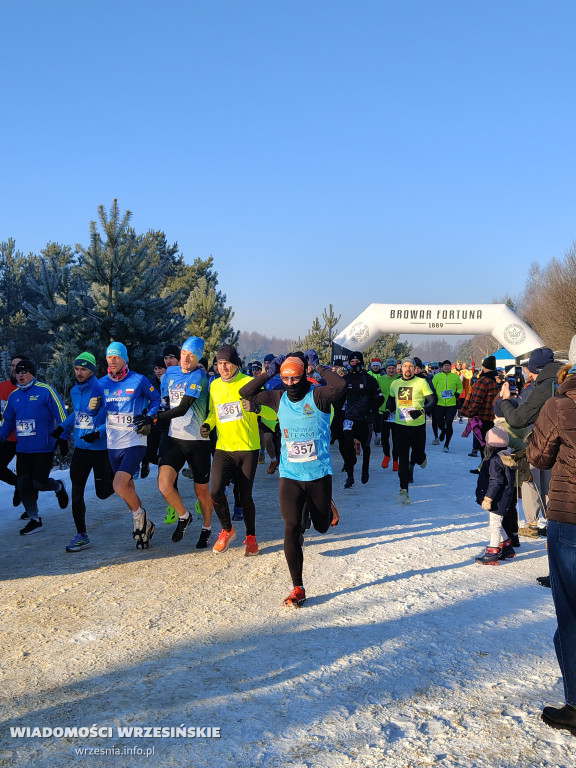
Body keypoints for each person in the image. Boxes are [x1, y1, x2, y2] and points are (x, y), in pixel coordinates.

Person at [239, 352, 346, 606]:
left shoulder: (318, 395)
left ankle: (324, 505)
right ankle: (297, 587)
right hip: (290, 474)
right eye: (285, 379)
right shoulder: (277, 398)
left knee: (321, 526)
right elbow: (245, 392)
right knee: (291, 529)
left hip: (319, 473)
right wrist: (269, 373)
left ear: (303, 376)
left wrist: (317, 366)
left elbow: (340, 386)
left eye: (294, 378)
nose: (289, 383)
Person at [525, 354, 576, 735]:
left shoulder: (559, 405)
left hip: (570, 518)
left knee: (572, 615)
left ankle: (575, 705)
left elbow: (539, 458)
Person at [88, 342, 160, 549]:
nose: (112, 361)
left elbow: (155, 399)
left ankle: (139, 516)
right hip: (113, 442)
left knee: (118, 485)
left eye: (116, 357)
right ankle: (146, 525)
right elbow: (95, 412)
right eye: (109, 357)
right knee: (127, 486)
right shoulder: (100, 383)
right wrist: (92, 407)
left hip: (135, 440)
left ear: (125, 359)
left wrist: (149, 417)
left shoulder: (138, 380)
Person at [200, 344, 261, 556]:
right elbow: (214, 414)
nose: (222, 367)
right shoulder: (214, 386)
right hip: (223, 448)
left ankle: (251, 537)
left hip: (247, 448)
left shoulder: (249, 383)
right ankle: (227, 530)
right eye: (219, 363)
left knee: (245, 498)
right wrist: (208, 425)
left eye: (226, 363)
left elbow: (272, 413)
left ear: (236, 364)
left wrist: (257, 408)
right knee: (215, 491)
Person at [51, 352, 114, 551]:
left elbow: (112, 416)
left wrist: (98, 433)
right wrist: (63, 428)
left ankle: (122, 478)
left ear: (92, 370)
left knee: (103, 493)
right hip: (80, 449)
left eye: (83, 369)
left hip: (99, 449)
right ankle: (81, 535)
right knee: (76, 493)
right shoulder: (74, 391)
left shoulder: (102, 388)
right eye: (77, 369)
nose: (79, 373)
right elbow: (77, 415)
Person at [498, 347, 562, 540]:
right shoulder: (562, 380)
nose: (526, 371)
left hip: (543, 442)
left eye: (527, 367)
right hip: (562, 444)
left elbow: (518, 419)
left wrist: (505, 401)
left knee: (530, 479)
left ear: (534, 368)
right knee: (553, 484)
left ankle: (533, 522)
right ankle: (552, 523)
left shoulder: (542, 388)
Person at [0, 357, 69, 534]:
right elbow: (7, 422)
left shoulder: (45, 391)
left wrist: (63, 437)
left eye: (24, 372)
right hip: (23, 449)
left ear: (32, 373)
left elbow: (62, 415)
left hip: (44, 447)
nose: (20, 375)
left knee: (38, 483)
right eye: (17, 372)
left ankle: (58, 486)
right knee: (23, 484)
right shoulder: (13, 397)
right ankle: (34, 519)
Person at [156, 336, 213, 549]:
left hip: (197, 442)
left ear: (197, 359)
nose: (185, 359)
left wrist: (155, 419)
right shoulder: (169, 373)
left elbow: (182, 409)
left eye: (191, 356)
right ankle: (184, 515)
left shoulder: (199, 377)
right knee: (164, 485)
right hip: (175, 439)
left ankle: (206, 528)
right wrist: (154, 415)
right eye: (183, 355)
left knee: (201, 493)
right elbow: (165, 402)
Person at [386, 357, 434, 504]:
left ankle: (421, 458)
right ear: (401, 368)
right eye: (405, 366)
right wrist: (388, 409)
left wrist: (421, 411)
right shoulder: (395, 383)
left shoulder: (421, 382)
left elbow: (432, 401)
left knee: (418, 456)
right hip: (401, 427)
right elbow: (390, 399)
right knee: (403, 460)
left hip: (418, 427)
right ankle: (404, 490)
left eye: (410, 366)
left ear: (414, 369)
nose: (407, 369)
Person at [473, 426, 518, 564]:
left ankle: (492, 552)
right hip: (504, 497)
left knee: (494, 525)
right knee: (497, 523)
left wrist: (488, 498)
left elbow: (496, 481)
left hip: (497, 498)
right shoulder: (505, 457)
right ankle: (506, 546)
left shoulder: (494, 460)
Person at [342, 351, 383, 488]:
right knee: (347, 445)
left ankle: (365, 471)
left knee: (365, 446)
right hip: (349, 418)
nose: (354, 364)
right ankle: (350, 476)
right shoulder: (345, 379)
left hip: (365, 419)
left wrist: (371, 410)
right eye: (352, 362)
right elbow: (338, 398)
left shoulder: (369, 379)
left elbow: (380, 398)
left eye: (357, 362)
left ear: (362, 362)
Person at [460, 355, 500, 458]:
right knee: (489, 445)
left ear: (484, 367)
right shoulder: (496, 380)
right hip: (493, 417)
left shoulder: (483, 381)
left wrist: (470, 414)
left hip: (482, 418)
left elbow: (476, 400)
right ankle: (484, 468)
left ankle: (484, 470)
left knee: (484, 446)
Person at [0, 355, 22, 507]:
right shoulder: (2, 387)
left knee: (28, 476)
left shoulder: (29, 388)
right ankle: (17, 484)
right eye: (12, 365)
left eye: (18, 365)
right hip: (6, 438)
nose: (14, 369)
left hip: (26, 440)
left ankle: (32, 512)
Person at [431, 360, 463, 452]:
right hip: (439, 404)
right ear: (442, 367)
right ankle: (443, 431)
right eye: (445, 366)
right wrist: (434, 396)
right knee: (439, 423)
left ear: (451, 367)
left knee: (449, 423)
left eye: (448, 366)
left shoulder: (455, 377)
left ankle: (446, 445)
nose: (446, 367)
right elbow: (432, 388)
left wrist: (458, 393)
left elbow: (460, 387)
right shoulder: (437, 376)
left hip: (451, 404)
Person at [376, 358, 399, 470]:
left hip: (397, 413)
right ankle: (386, 456)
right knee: (384, 437)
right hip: (383, 412)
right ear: (385, 369)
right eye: (389, 368)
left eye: (393, 368)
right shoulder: (380, 379)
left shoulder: (399, 379)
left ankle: (395, 460)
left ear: (396, 369)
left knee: (396, 438)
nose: (391, 370)